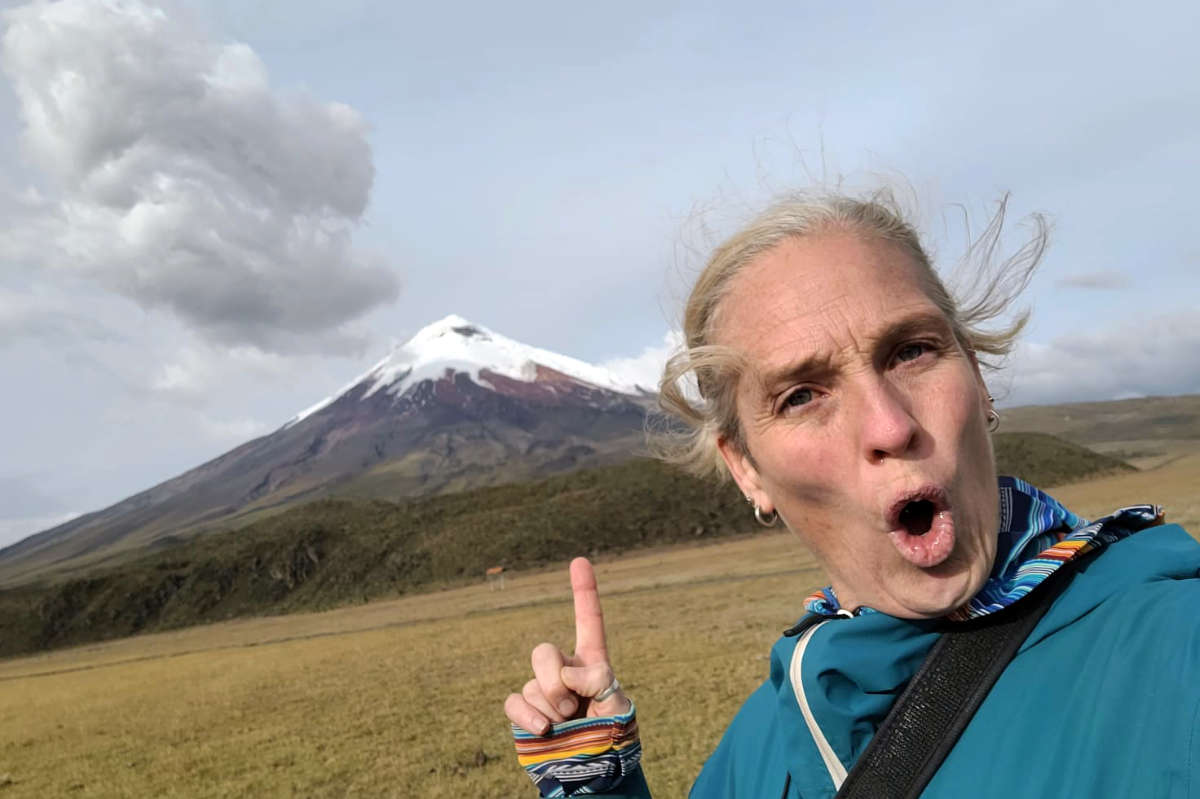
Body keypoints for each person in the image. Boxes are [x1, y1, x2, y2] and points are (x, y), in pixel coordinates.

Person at [502, 190, 1200, 798]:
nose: (890, 425)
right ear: (745, 467)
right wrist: (598, 783)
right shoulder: (763, 741)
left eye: (913, 350)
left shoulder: (1173, 647)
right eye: (803, 394)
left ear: (979, 376)